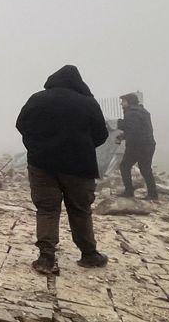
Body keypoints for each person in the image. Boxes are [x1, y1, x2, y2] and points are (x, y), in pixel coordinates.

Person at [15, 65, 110, 275]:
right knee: (80, 209)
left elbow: (21, 124)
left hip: (42, 164)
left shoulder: (38, 99)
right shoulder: (87, 102)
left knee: (47, 209)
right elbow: (102, 134)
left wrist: (36, 145)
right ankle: (89, 254)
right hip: (79, 166)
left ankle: (46, 258)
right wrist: (82, 146)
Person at [116, 93, 158, 199]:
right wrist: (124, 136)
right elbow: (138, 129)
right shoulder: (143, 112)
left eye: (123, 101)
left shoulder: (131, 113)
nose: (121, 103)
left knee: (124, 166)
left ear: (129, 101)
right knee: (146, 168)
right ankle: (153, 194)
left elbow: (133, 130)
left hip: (137, 145)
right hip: (148, 144)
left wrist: (120, 125)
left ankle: (129, 192)